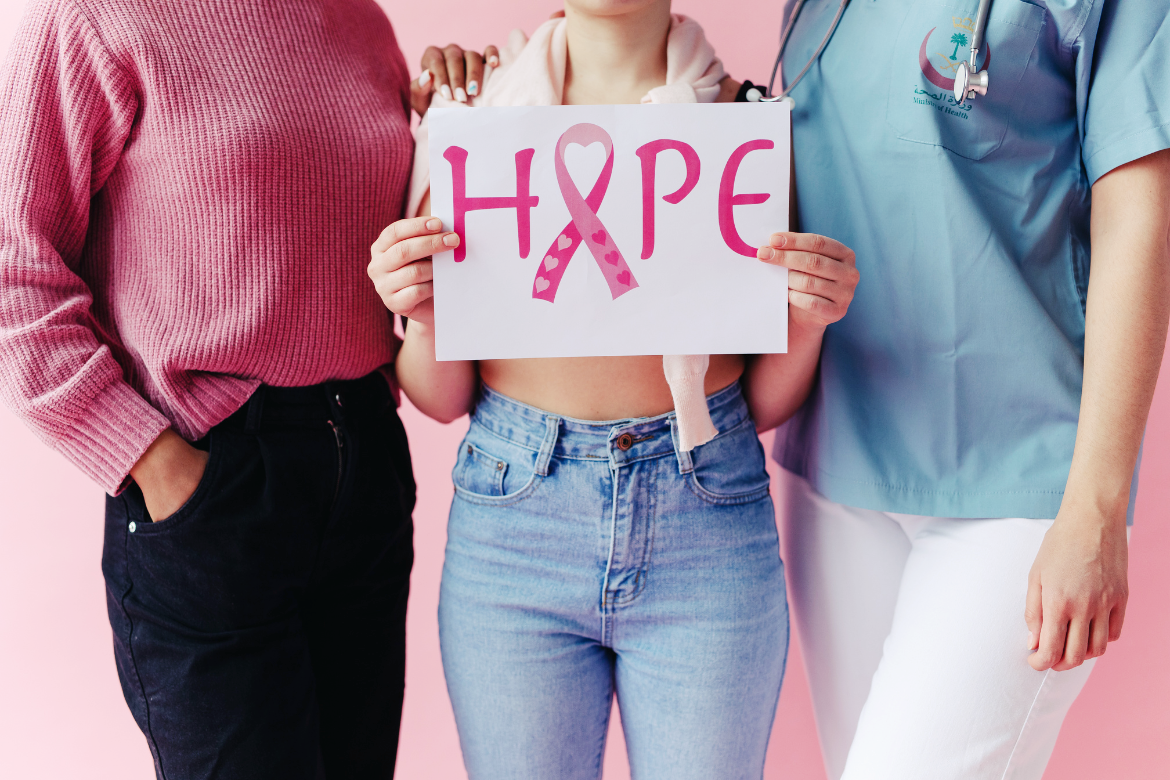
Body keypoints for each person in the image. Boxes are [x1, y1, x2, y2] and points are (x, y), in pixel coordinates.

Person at [426, 1, 1170, 778]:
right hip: (838, 470)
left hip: (1018, 473)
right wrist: (480, 76)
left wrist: (1097, 506)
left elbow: (1139, 207)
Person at [367, 2, 859, 778]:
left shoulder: (749, 127)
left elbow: (762, 403)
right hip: (514, 528)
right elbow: (440, 396)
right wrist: (423, 313)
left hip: (709, 514)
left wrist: (811, 320)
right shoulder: (470, 117)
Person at [0, 0, 417, 777]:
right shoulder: (95, 18)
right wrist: (149, 459)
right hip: (210, 480)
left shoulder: (359, 18)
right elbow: (12, 269)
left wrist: (470, 103)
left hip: (364, 466)